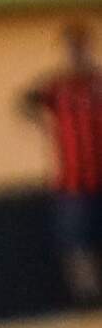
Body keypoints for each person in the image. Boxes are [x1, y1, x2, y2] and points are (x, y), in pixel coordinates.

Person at [21, 22, 102, 305]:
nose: (76, 53)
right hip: (71, 182)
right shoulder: (57, 87)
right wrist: (41, 125)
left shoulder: (99, 83)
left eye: (80, 46)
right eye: (70, 47)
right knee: (76, 243)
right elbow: (26, 101)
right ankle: (89, 302)